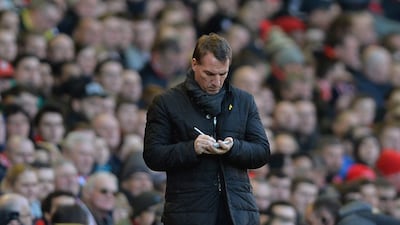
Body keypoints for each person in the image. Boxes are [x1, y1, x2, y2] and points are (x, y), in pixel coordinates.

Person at [143, 33, 270, 225]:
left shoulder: (243, 101)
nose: (217, 82)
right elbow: (153, 155)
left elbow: (262, 151)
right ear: (194, 64)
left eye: (223, 74)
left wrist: (234, 147)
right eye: (209, 74)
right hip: (188, 213)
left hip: (238, 213)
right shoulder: (166, 102)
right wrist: (191, 149)